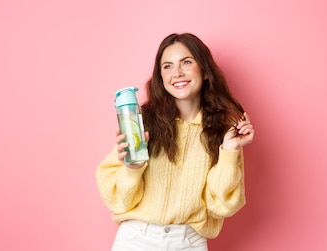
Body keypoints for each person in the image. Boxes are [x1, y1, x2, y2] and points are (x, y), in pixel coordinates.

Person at [96, 33, 254, 251]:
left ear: (206, 71)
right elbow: (117, 199)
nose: (177, 73)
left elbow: (221, 206)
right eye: (167, 66)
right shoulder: (142, 121)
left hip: (189, 243)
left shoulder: (224, 129)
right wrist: (132, 169)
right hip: (136, 240)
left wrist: (229, 151)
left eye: (187, 62)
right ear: (160, 76)